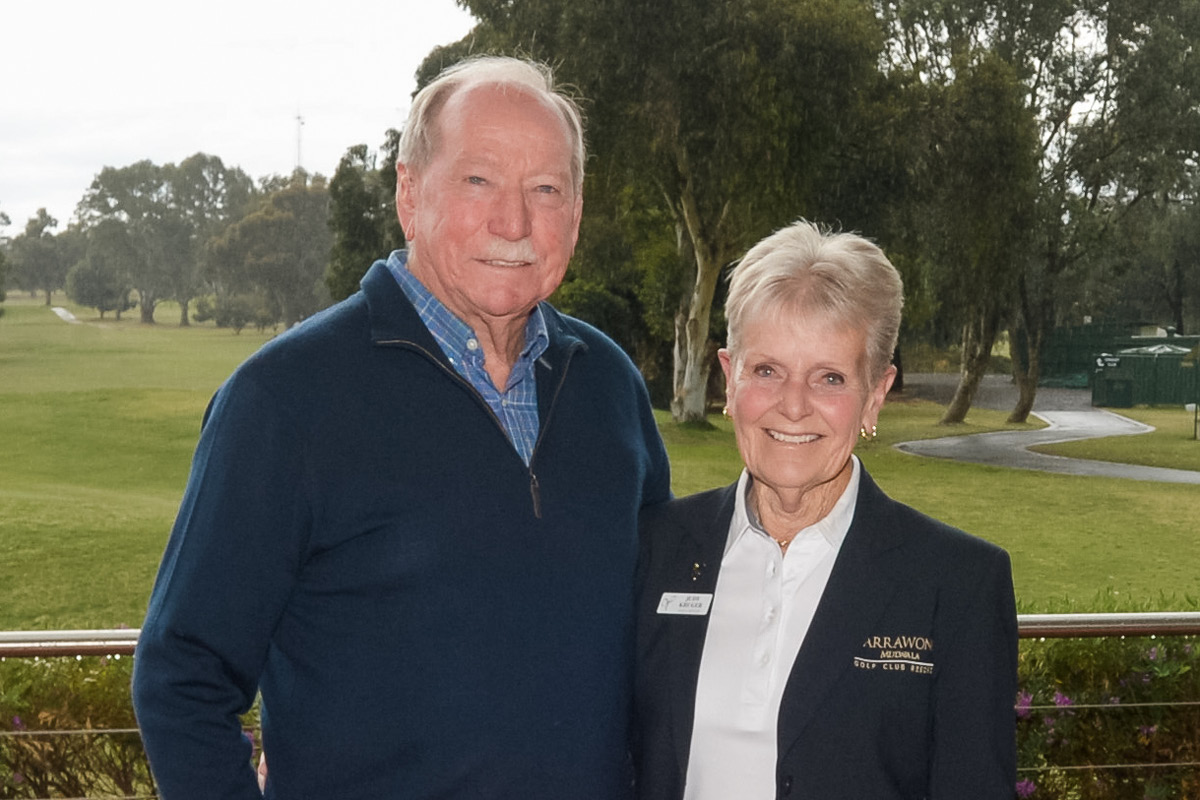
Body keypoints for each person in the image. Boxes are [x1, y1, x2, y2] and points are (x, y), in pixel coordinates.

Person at [132, 56, 671, 799]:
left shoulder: (609, 385)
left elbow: (662, 641)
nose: (514, 222)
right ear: (409, 193)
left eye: (545, 189)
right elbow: (181, 676)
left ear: (575, 214)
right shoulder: (283, 400)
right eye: (478, 180)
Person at [633, 220, 1017, 799]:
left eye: (830, 378)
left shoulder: (959, 584)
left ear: (876, 394)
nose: (793, 406)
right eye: (767, 371)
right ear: (729, 378)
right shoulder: (653, 550)